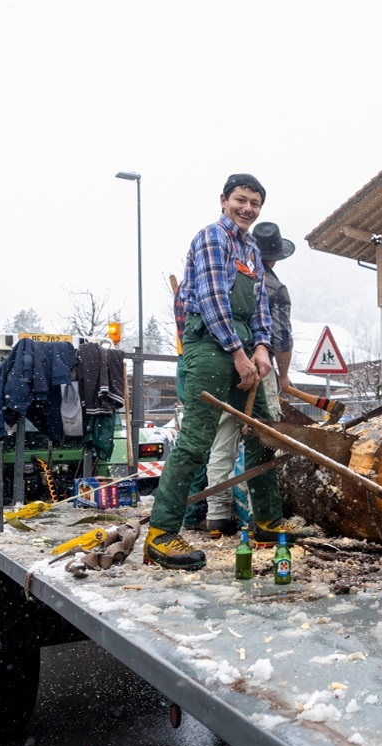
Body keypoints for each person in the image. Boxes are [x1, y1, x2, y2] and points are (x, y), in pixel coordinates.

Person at [144, 173, 284, 570]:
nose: (247, 209)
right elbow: (211, 298)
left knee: (262, 432)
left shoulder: (252, 251)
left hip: (241, 346)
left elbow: (259, 308)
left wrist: (260, 348)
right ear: (224, 200)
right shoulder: (212, 237)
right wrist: (238, 352)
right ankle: (161, 533)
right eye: (241, 200)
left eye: (255, 204)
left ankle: (267, 520)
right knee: (196, 440)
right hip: (209, 346)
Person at [203, 221, 295, 538]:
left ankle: (216, 516)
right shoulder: (273, 287)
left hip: (220, 362)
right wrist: (283, 375)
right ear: (275, 257)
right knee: (262, 439)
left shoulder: (226, 273)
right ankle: (265, 518)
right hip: (256, 364)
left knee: (222, 442)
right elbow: (280, 336)